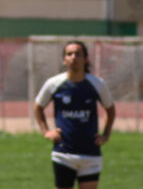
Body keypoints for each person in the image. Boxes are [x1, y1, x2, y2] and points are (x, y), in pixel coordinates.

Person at [34, 41, 116, 189]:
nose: (73, 57)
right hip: (63, 153)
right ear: (64, 60)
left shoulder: (97, 84)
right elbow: (38, 107)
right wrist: (46, 131)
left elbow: (110, 109)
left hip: (90, 153)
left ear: (85, 58)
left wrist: (106, 135)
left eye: (78, 54)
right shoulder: (54, 84)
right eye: (69, 54)